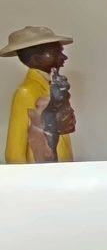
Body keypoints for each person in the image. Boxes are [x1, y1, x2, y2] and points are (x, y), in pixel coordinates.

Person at [3, 25, 76, 164]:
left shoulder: (52, 85)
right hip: (40, 170)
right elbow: (14, 148)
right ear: (36, 59)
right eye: (56, 53)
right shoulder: (26, 92)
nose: (64, 57)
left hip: (60, 168)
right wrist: (20, 176)